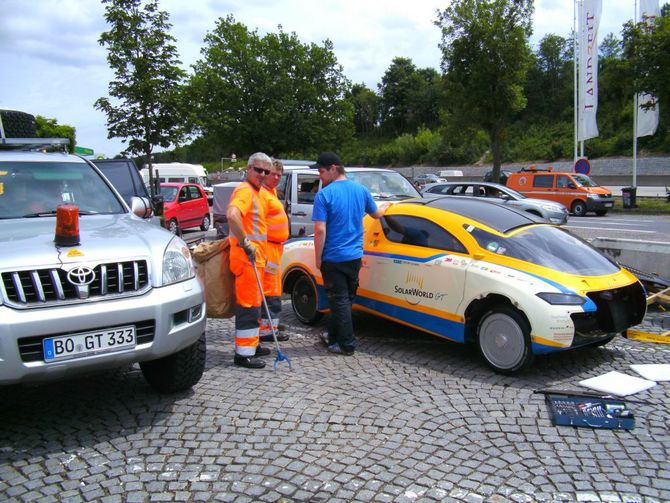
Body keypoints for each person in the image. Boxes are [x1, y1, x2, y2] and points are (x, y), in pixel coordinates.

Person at [311, 151, 390, 356]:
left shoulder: (324, 195)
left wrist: (318, 258)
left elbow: (320, 230)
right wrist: (387, 206)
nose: (319, 176)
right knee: (345, 299)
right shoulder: (361, 190)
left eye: (321, 171)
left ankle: (346, 344)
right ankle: (333, 337)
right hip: (354, 257)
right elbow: (376, 214)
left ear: (333, 169)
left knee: (339, 301)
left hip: (333, 257)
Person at [226, 152, 273, 369]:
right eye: (259, 170)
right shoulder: (245, 191)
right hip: (247, 259)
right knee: (248, 306)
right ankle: (243, 354)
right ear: (248, 169)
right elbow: (232, 215)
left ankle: (252, 345)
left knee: (255, 305)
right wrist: (245, 243)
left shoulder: (258, 192)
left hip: (256, 259)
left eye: (266, 171)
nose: (263, 174)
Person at [259, 159, 290, 343]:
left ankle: (271, 325)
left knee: (273, 288)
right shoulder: (263, 194)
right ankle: (267, 330)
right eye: (274, 174)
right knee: (271, 290)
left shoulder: (272, 192)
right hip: (268, 248)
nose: (277, 178)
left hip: (275, 248)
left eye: (280, 175)